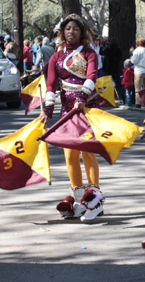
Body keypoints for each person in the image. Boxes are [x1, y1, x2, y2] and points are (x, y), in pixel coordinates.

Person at [39, 14, 105, 221]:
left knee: (88, 152)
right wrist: (47, 110)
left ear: (81, 32)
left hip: (86, 107)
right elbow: (51, 84)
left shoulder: (89, 53)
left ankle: (94, 200)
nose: (71, 32)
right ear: (62, 32)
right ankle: (79, 199)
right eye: (68, 28)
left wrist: (83, 97)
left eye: (75, 28)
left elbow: (92, 76)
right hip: (67, 110)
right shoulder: (56, 57)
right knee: (69, 155)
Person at [131, 37, 145, 108]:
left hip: (139, 71)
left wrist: (132, 56)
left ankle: (138, 103)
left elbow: (133, 61)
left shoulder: (137, 50)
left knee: (138, 89)